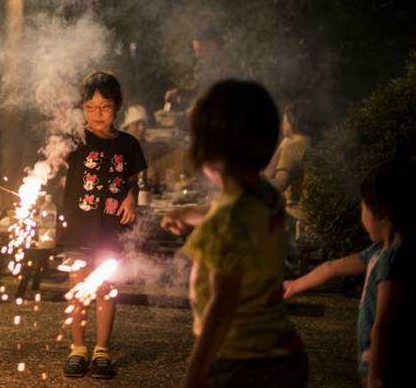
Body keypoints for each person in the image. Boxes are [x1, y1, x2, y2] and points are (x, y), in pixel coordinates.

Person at [159, 79, 308, 388]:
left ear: (207, 148)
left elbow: (222, 306)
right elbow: (234, 211)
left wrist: (195, 373)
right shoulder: (267, 196)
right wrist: (187, 212)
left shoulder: (225, 223)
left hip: (240, 364)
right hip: (284, 353)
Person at [283, 161, 413, 388]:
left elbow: (384, 323)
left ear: (381, 213)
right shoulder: (378, 252)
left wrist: (375, 376)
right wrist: (295, 285)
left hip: (387, 370)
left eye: (363, 207)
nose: (361, 213)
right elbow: (332, 267)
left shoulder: (393, 261)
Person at [57, 71, 147, 379]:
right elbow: (52, 161)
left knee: (106, 288)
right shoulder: (74, 138)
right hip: (78, 225)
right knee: (79, 286)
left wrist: (132, 197)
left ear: (117, 106)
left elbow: (136, 182)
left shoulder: (129, 144)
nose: (97, 113)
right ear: (81, 107)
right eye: (90, 107)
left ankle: (102, 351)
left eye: (104, 106)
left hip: (112, 227)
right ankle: (78, 349)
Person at [264, 100, 316, 268]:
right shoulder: (312, 144)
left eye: (284, 119)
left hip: (296, 214)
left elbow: (279, 185)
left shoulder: (292, 148)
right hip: (314, 210)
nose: (281, 124)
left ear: (292, 122)